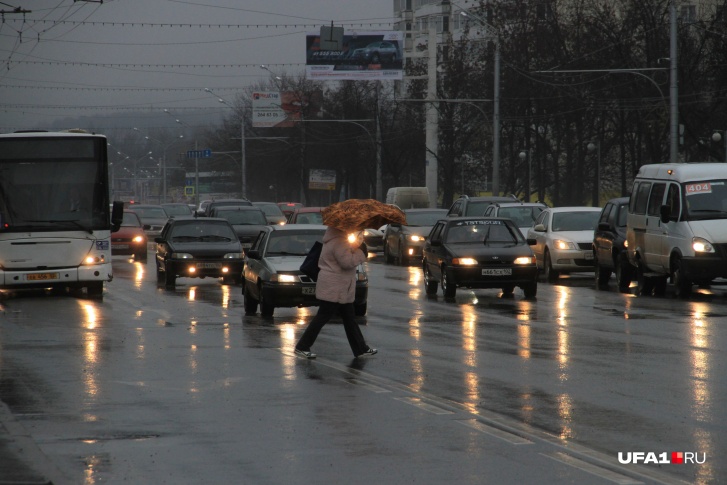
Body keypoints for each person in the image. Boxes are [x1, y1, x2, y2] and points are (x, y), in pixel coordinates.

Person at [294, 226, 377, 359]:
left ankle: (361, 348)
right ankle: (302, 346)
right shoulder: (339, 242)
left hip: (339, 287)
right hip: (334, 287)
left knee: (349, 319)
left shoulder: (334, 240)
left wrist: (357, 246)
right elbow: (347, 262)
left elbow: (344, 256)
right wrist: (361, 253)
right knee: (323, 317)